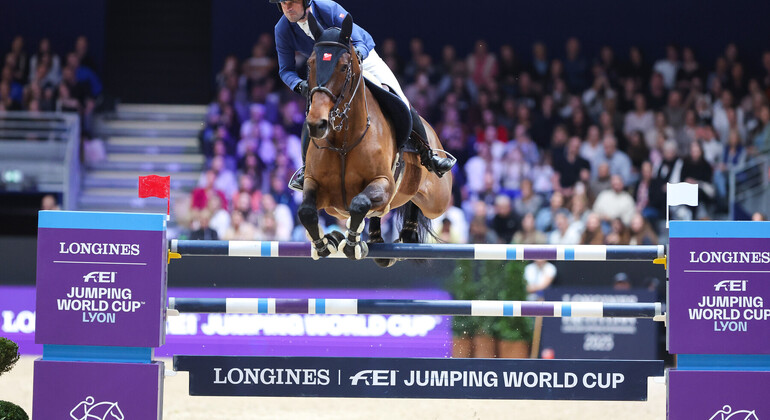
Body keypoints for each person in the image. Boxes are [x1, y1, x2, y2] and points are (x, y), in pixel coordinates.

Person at [269, 0, 454, 191]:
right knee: (313, 113)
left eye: (292, 2)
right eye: (283, 3)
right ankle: (307, 169)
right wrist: (300, 85)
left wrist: (355, 58)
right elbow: (285, 70)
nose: (288, 7)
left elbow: (357, 39)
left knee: (398, 95)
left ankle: (428, 154)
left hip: (360, 55)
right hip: (327, 70)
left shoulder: (327, 8)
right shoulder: (282, 28)